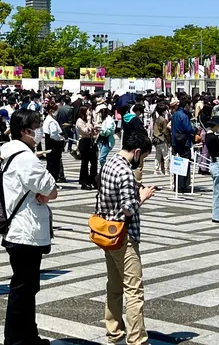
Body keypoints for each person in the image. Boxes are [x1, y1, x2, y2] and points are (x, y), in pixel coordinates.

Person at [0, 109, 59, 345]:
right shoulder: (25, 158)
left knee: (27, 287)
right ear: (24, 131)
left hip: (20, 229)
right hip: (25, 231)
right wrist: (48, 192)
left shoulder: (11, 154)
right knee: (23, 288)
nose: (39, 131)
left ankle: (28, 336)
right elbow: (49, 187)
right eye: (36, 126)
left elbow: (47, 190)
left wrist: (46, 192)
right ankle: (16, 340)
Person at [95, 123, 155, 345]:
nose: (142, 162)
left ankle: (114, 332)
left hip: (107, 232)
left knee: (114, 285)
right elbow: (129, 208)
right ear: (137, 152)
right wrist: (143, 195)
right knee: (134, 290)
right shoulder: (125, 172)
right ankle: (137, 339)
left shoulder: (110, 162)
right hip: (124, 235)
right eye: (144, 157)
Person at [170, 99, 194, 193]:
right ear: (186, 105)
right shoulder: (184, 116)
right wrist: (194, 129)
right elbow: (188, 128)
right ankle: (182, 185)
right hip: (184, 142)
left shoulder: (175, 114)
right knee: (185, 163)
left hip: (175, 141)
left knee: (177, 163)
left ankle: (177, 184)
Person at [76, 105, 99, 190]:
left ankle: (94, 180)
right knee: (85, 163)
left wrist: (95, 128)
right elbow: (86, 131)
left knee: (94, 162)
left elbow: (94, 131)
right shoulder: (79, 121)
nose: (89, 113)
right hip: (84, 141)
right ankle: (84, 182)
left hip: (91, 141)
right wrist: (89, 122)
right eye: (87, 111)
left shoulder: (90, 120)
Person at [42, 106, 66, 182]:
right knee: (54, 163)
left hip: (49, 143)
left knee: (50, 162)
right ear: (51, 111)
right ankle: (53, 179)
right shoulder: (51, 121)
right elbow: (54, 134)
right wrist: (61, 138)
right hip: (54, 144)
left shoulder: (47, 119)